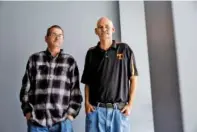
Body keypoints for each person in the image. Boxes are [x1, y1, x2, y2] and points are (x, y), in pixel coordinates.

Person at [19, 25, 83, 132]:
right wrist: (27, 111)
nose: (57, 38)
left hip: (62, 123)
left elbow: (76, 92)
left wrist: (70, 115)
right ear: (46, 38)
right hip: (37, 122)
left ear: (63, 39)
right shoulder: (34, 59)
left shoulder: (70, 61)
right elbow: (25, 88)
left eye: (60, 35)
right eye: (54, 34)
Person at [81, 17, 138, 132]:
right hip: (96, 111)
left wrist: (130, 105)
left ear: (113, 29)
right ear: (96, 31)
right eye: (100, 27)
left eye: (107, 26)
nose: (104, 29)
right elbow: (87, 82)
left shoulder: (125, 49)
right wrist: (87, 103)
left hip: (119, 111)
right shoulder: (91, 53)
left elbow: (133, 78)